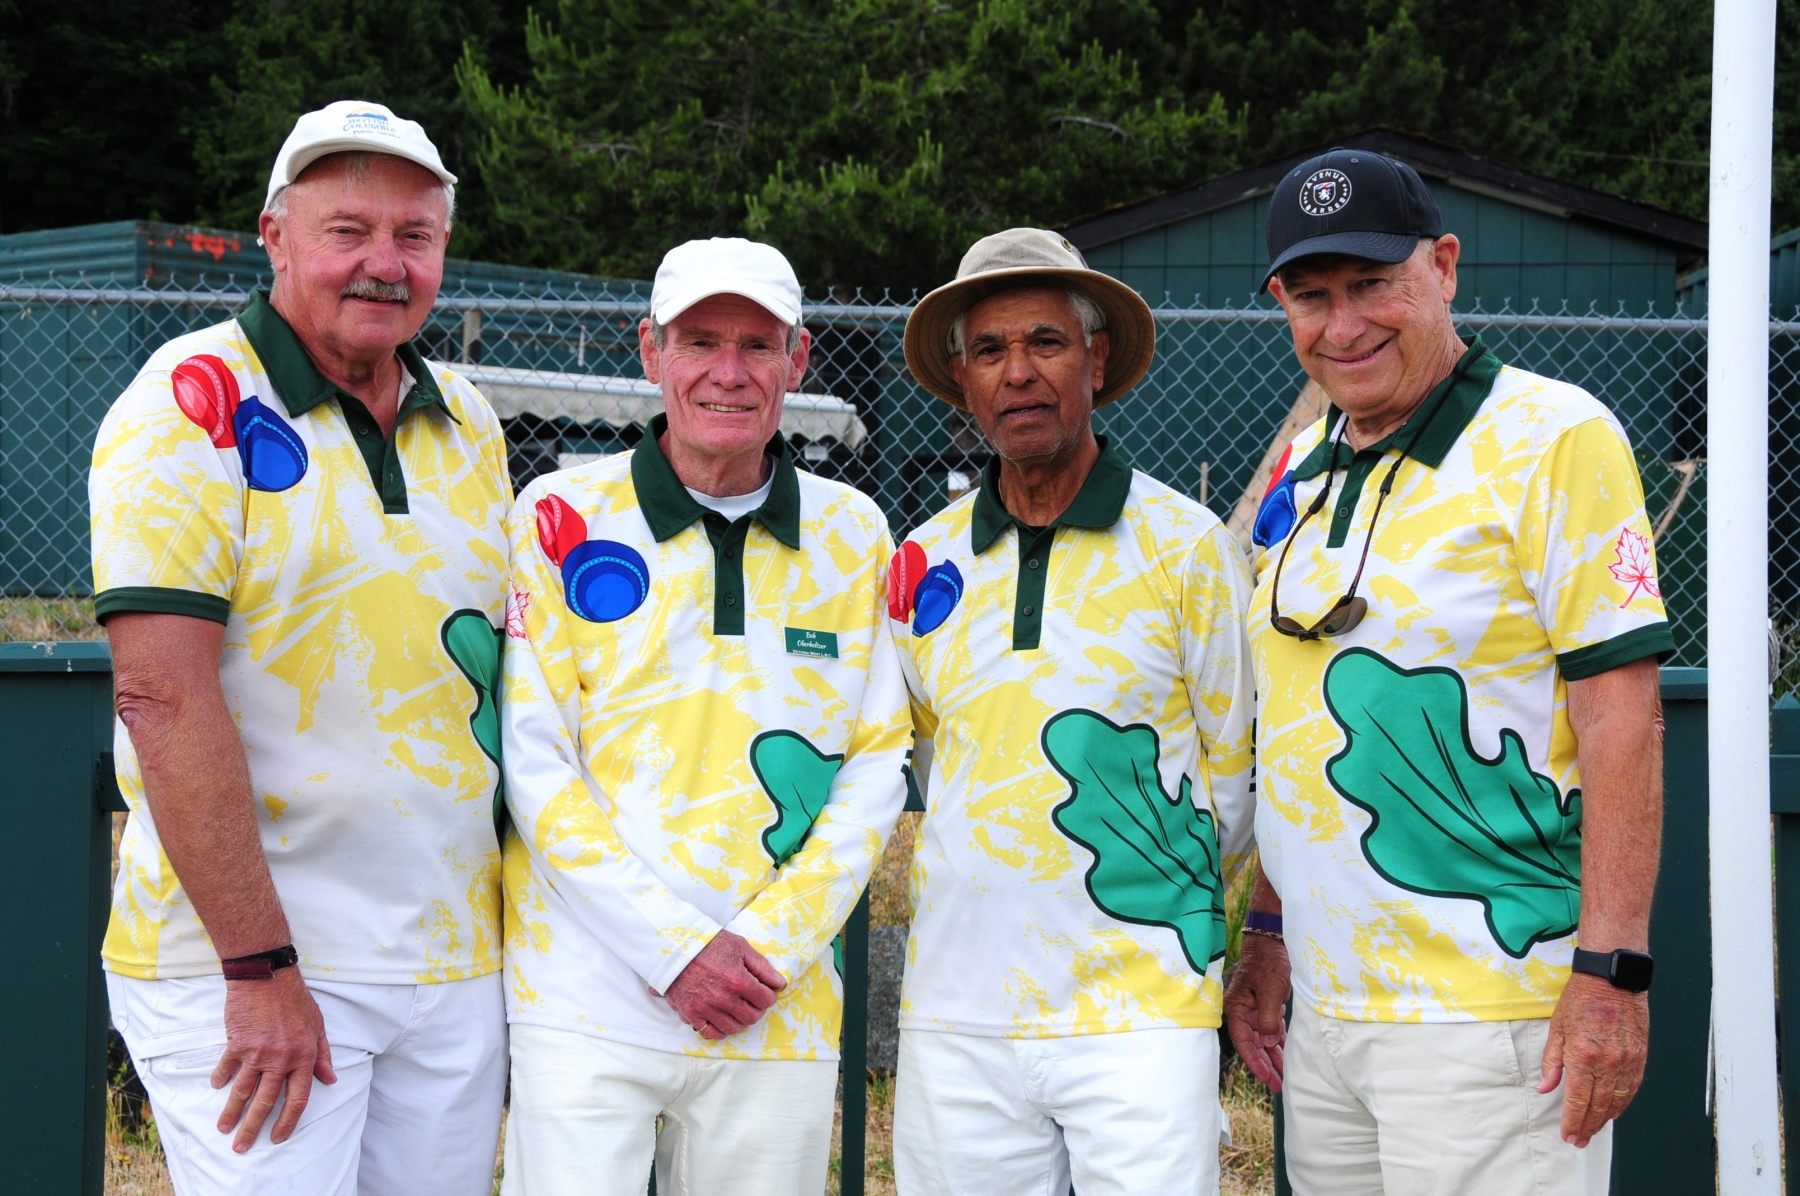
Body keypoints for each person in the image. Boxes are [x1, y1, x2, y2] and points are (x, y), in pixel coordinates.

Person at [1224, 149, 1671, 1196]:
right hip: (1330, 1015)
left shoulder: (1554, 436)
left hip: (1491, 1013)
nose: (1344, 325)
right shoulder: (1304, 464)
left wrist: (1611, 973)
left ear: (1445, 267)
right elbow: (1302, 725)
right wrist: (1269, 933)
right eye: (1312, 296)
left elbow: (1623, 719)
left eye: (1372, 284)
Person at [90, 100, 512, 1195]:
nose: (385, 264)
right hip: (256, 968)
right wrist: (258, 965)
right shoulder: (190, 403)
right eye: (348, 231)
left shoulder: (469, 421)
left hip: (446, 962)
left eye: (414, 236)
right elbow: (161, 695)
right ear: (274, 237)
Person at [497, 237, 911, 1195]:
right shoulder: (558, 516)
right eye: (699, 342)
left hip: (775, 999)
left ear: (797, 361)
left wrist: (771, 946)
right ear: (651, 351)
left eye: (758, 346)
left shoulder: (854, 534)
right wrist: (673, 948)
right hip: (584, 994)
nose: (729, 372)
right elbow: (534, 757)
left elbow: (876, 763)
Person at [888, 228, 1255, 1195]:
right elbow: (923, 765)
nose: (1019, 373)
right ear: (963, 379)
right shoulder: (921, 563)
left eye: (1045, 342)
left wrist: (1135, 900)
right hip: (958, 1012)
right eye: (990, 350)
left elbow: (1237, 776)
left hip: (1143, 1007)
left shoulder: (1187, 548)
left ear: (1095, 358)